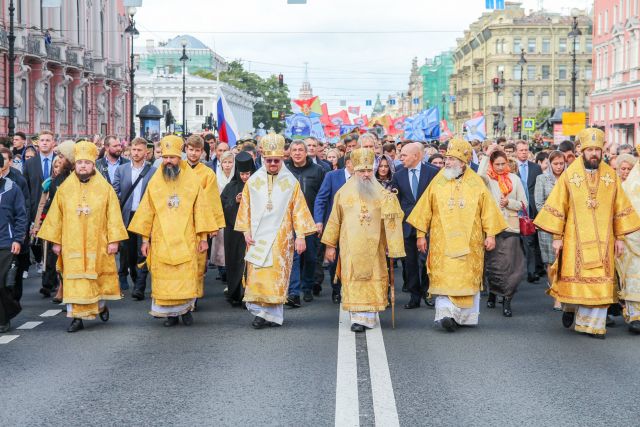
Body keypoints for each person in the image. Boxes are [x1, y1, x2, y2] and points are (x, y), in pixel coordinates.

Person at [534, 128, 640, 339]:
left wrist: (620, 237)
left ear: (602, 152)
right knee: (575, 282)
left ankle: (593, 325)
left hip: (605, 241)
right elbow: (558, 206)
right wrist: (557, 238)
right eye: (590, 149)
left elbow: (620, 208)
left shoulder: (611, 176)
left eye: (597, 150)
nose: (594, 154)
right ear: (582, 150)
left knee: (600, 281)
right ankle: (569, 308)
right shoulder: (569, 175)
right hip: (575, 240)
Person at [407, 138, 507, 332]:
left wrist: (491, 235)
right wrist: (420, 235)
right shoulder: (438, 181)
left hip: (470, 244)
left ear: (463, 162)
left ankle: (462, 317)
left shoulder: (476, 183)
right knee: (445, 278)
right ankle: (446, 315)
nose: (447, 162)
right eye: (447, 158)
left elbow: (488, 211)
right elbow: (424, 209)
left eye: (452, 159)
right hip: (442, 243)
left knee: (465, 279)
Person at [37, 141, 128, 333]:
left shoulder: (105, 189)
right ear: (75, 165)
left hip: (98, 243)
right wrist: (55, 241)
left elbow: (113, 216)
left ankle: (101, 306)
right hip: (72, 244)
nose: (83, 166)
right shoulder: (64, 189)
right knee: (74, 279)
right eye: (80, 163)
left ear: (93, 165)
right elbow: (55, 217)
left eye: (87, 163)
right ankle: (76, 317)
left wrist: (114, 241)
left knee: (96, 280)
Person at [128, 135, 218, 326]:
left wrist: (203, 238)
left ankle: (186, 310)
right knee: (165, 277)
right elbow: (147, 211)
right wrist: (145, 240)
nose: (168, 161)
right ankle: (170, 315)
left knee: (185, 275)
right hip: (161, 239)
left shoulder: (192, 180)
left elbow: (201, 210)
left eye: (172, 157)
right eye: (166, 157)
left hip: (187, 237)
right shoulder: (155, 181)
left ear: (179, 157)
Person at [235, 132, 316, 329]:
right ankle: (263, 313)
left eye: (276, 161)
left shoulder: (291, 183)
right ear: (263, 159)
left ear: (282, 159)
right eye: (269, 160)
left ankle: (269, 315)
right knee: (259, 275)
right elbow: (245, 207)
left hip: (281, 238)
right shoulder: (253, 181)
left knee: (275, 276)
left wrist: (301, 236)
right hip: (257, 237)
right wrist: (245, 232)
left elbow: (299, 211)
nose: (272, 164)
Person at [322, 148, 405, 332]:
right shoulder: (343, 193)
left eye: (369, 171)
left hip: (375, 247)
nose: (366, 175)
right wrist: (330, 246)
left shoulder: (383, 194)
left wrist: (393, 245)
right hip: (350, 246)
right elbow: (334, 220)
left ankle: (368, 317)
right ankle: (357, 317)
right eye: (362, 171)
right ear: (354, 171)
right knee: (354, 279)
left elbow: (392, 221)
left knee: (372, 278)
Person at [478, 145, 527, 317]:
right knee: (493, 265)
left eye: (503, 163)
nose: (500, 167)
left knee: (510, 266)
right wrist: (487, 154)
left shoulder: (514, 179)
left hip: (511, 227)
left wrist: (509, 203)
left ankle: (507, 299)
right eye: (497, 164)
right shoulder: (487, 179)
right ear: (492, 164)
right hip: (492, 227)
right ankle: (492, 292)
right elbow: (478, 176)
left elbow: (523, 204)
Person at [391, 142, 439, 309]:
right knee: (410, 262)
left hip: (428, 225)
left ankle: (428, 292)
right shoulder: (398, 174)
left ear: (416, 156)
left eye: (404, 155)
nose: (400, 158)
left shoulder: (433, 173)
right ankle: (414, 295)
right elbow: (396, 201)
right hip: (407, 225)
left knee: (426, 260)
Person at [112, 137, 156, 299]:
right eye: (134, 150)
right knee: (128, 252)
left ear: (146, 152)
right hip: (127, 215)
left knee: (143, 250)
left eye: (139, 150)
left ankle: (140, 286)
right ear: (129, 150)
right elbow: (115, 191)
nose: (136, 153)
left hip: (145, 215)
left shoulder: (153, 172)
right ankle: (135, 277)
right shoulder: (122, 170)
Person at [284, 140, 326, 305]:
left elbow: (322, 197)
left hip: (310, 221)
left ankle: (307, 287)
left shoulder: (318, 170)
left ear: (306, 151)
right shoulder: (284, 170)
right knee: (292, 256)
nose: (297, 153)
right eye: (294, 150)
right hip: (289, 221)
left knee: (310, 257)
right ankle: (293, 291)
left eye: (301, 150)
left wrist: (319, 219)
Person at [185, 134, 225, 300]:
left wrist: (213, 226)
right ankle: (182, 293)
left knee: (200, 259)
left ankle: (194, 294)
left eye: (197, 150)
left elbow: (212, 200)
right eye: (191, 149)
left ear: (202, 152)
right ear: (186, 149)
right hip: (180, 223)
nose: (194, 153)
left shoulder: (208, 173)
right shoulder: (178, 169)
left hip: (200, 224)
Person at [314, 151, 354, 304]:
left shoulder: (364, 177)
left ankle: (351, 289)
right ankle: (336, 290)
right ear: (348, 163)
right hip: (335, 225)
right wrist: (319, 220)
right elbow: (321, 198)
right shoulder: (332, 176)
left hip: (356, 227)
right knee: (333, 259)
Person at [221, 152, 256, 306]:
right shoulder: (231, 187)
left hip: (253, 231)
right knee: (235, 262)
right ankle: (235, 293)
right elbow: (221, 207)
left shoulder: (260, 186)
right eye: (242, 173)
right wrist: (235, 201)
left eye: (248, 173)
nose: (244, 177)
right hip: (234, 233)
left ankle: (250, 294)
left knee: (251, 263)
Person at [22, 130, 56, 284]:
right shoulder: (30, 164)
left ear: (53, 143)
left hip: (55, 209)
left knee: (52, 246)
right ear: (37, 143)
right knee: (39, 245)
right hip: (37, 211)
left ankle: (49, 280)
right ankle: (47, 275)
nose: (44, 143)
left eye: (48, 140)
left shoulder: (59, 161)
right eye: (42, 140)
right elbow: (27, 190)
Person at [534, 151, 566, 310]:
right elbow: (539, 204)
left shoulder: (570, 178)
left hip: (567, 227)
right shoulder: (542, 178)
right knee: (551, 261)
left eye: (561, 163)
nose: (559, 167)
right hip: (547, 227)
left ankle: (566, 292)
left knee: (565, 261)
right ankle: (556, 296)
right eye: (556, 164)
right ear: (549, 163)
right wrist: (553, 220)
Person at [0, 151, 27, 332]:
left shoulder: (12, 188)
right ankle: (3, 319)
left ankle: (9, 311)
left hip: (6, 243)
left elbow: (20, 216)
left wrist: (18, 239)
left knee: (2, 284)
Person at [616, 146, 640, 334]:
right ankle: (635, 316)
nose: (626, 172)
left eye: (628, 169)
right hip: (631, 238)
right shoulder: (625, 186)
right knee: (632, 278)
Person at [515, 140, 544, 283]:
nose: (524, 152)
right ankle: (515, 272)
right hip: (514, 210)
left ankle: (531, 272)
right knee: (515, 243)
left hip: (531, 210)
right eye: (521, 150)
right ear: (516, 152)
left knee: (530, 242)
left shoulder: (536, 168)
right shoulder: (512, 167)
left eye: (526, 150)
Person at [210, 151, 235, 281]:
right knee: (219, 242)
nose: (227, 165)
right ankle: (221, 269)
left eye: (230, 162)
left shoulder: (236, 178)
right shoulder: (215, 177)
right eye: (225, 162)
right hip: (219, 212)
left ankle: (230, 268)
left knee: (230, 241)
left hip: (233, 214)